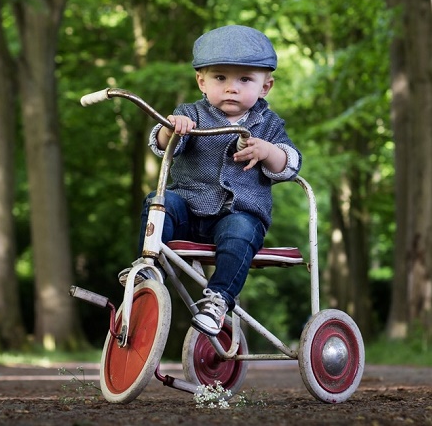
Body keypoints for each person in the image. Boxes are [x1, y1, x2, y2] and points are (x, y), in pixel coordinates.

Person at [120, 24, 302, 337]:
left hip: (238, 215)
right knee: (159, 201)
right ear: (201, 82)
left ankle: (218, 299)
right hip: (188, 212)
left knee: (241, 230)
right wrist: (172, 129)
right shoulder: (191, 114)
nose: (232, 87)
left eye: (245, 79)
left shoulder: (268, 124)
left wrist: (269, 151)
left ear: (265, 87)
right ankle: (148, 267)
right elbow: (161, 144)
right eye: (220, 78)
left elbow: (291, 163)